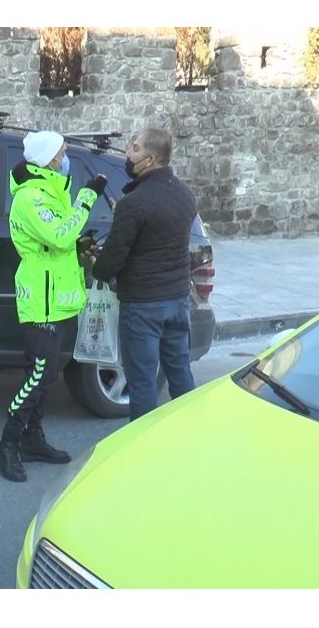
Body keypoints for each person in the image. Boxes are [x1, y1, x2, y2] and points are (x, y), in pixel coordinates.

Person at [0, 130, 105, 482]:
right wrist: (87, 198)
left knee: (48, 374)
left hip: (60, 300)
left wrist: (79, 246)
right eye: (62, 152)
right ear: (47, 158)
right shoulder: (31, 197)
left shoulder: (53, 192)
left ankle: (33, 438)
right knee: (39, 375)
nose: (66, 157)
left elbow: (59, 243)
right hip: (41, 303)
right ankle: (7, 444)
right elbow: (58, 234)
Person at [90, 127, 197, 422]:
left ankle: (142, 449)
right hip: (177, 300)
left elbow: (110, 262)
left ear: (149, 159)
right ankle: (192, 433)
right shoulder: (185, 194)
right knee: (180, 373)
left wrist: (95, 263)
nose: (128, 153)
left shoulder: (133, 203)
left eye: (134, 148)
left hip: (143, 306)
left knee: (142, 383)